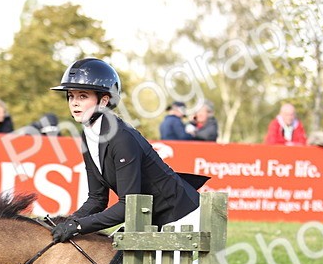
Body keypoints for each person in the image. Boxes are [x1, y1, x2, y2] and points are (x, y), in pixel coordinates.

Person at [46, 58, 204, 243]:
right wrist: (68, 221)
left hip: (181, 216)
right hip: (150, 218)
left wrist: (79, 226)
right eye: (71, 96)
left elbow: (129, 205)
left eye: (82, 96)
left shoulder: (121, 137)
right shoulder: (87, 135)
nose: (74, 103)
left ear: (104, 100)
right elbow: (96, 198)